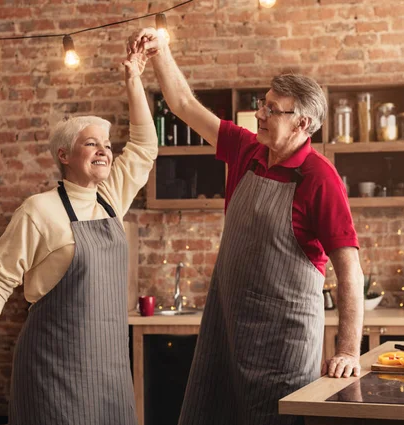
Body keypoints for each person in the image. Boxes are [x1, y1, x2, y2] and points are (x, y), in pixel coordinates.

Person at [129, 29, 364, 425]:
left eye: (273, 109)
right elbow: (184, 105)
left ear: (302, 122)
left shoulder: (318, 178)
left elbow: (350, 271)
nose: (260, 114)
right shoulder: (247, 149)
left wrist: (348, 351)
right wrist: (161, 52)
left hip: (283, 348)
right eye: (263, 104)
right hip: (228, 332)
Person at [0, 45, 157, 425]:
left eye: (107, 146)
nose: (104, 151)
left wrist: (133, 80)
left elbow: (145, 147)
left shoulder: (111, 200)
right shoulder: (38, 209)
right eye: (91, 143)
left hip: (110, 371)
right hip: (52, 368)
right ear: (64, 154)